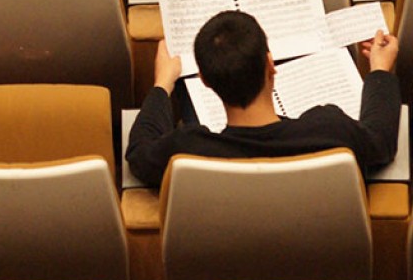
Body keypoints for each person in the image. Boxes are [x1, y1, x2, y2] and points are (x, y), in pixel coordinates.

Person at [126, 10, 401, 188]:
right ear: (270, 64)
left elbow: (138, 153)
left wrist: (162, 83)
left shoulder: (188, 151)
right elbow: (381, 141)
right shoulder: (330, 130)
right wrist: (379, 70)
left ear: (205, 80)